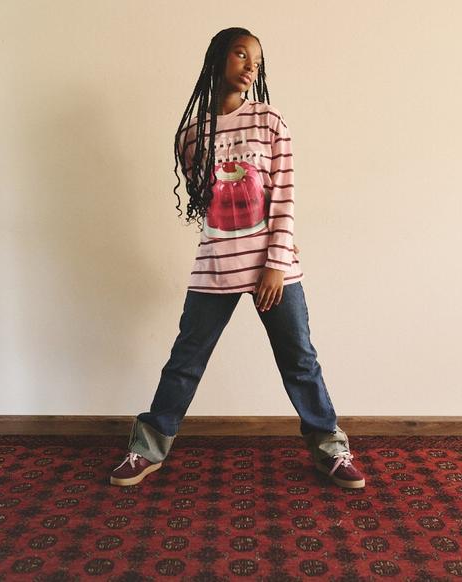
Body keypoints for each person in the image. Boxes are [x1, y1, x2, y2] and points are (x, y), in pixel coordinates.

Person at [110, 27, 365, 489]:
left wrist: (276, 263)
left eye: (257, 61)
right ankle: (147, 448)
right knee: (185, 360)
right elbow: (206, 203)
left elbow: (284, 195)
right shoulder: (190, 135)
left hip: (273, 268)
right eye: (241, 54)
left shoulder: (269, 121)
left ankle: (330, 447)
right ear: (218, 58)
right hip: (216, 263)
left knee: (300, 360)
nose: (250, 67)